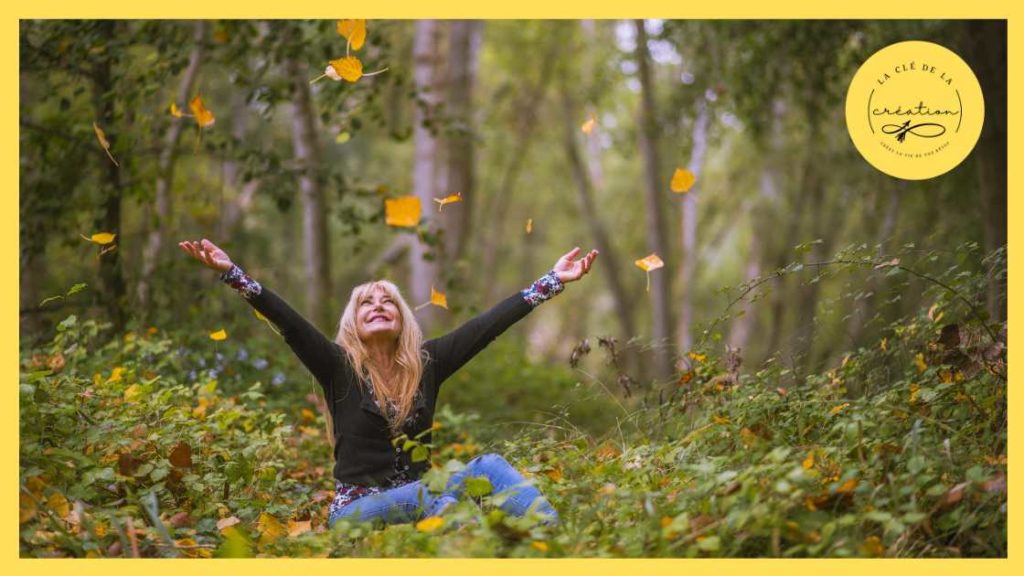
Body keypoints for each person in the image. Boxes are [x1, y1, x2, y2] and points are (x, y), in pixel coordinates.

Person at [179, 238, 598, 530]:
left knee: (485, 468)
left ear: (401, 319)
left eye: (388, 302)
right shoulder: (337, 366)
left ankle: (552, 540)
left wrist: (553, 281)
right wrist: (232, 273)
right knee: (439, 500)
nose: (378, 306)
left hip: (423, 495)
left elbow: (487, 325)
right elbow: (287, 322)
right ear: (353, 323)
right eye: (367, 303)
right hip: (357, 510)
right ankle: (465, 532)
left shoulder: (428, 363)